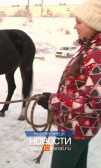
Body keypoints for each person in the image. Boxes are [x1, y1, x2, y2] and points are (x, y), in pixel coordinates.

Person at [37, 0, 101, 167]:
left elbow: (95, 104)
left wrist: (54, 101)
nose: (75, 27)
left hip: (75, 130)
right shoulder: (89, 48)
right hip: (79, 128)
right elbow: (80, 90)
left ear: (94, 25)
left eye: (79, 22)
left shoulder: (96, 56)